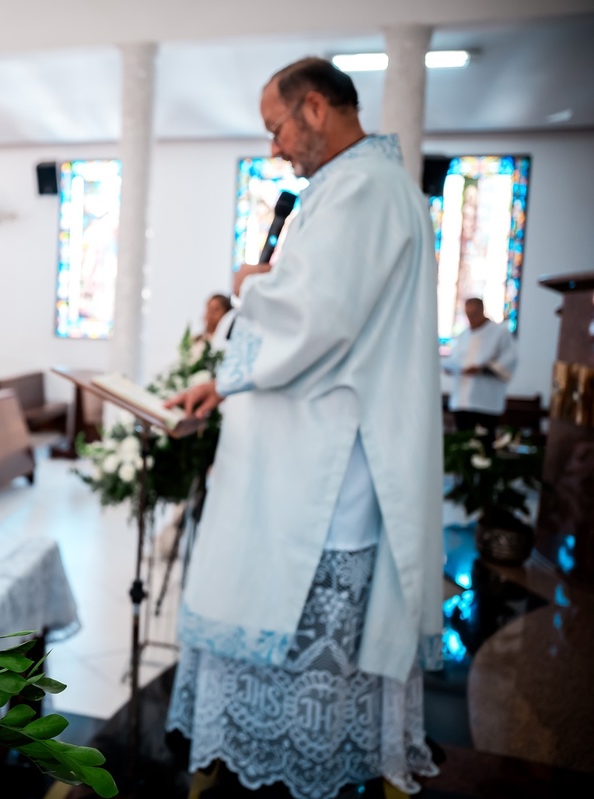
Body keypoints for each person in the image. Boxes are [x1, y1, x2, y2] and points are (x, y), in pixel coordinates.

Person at [162, 58, 441, 799]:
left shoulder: (363, 189)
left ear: (314, 108)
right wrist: (223, 380)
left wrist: (254, 292)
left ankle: (295, 765)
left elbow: (315, 318)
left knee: (298, 631)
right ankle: (250, 752)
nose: (277, 148)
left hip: (320, 472)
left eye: (277, 129)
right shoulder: (354, 187)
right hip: (302, 455)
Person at [443, 297, 517, 435]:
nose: (471, 318)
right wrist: (450, 368)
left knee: (484, 446)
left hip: (485, 401)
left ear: (482, 310)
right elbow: (455, 360)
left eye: (474, 314)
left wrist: (482, 369)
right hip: (461, 400)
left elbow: (509, 361)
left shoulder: (500, 332)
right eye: (468, 314)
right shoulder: (463, 335)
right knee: (462, 443)